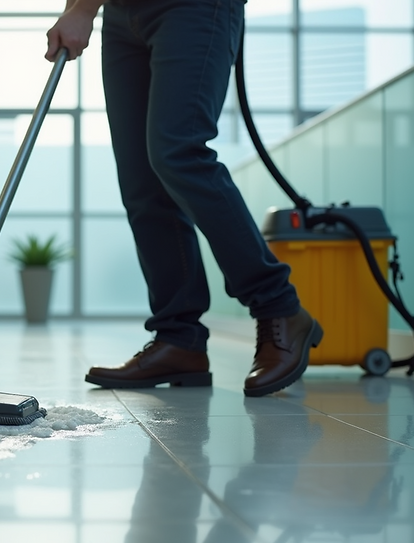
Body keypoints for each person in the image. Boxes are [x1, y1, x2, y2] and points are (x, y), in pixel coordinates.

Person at [45, 0, 323, 397]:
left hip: (192, 7)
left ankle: (280, 308)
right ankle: (180, 340)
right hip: (123, 16)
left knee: (179, 153)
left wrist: (82, 9)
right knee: (141, 180)